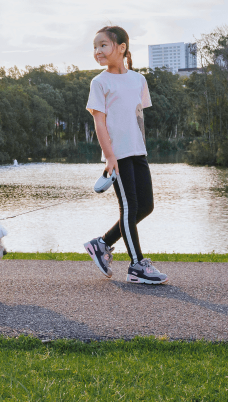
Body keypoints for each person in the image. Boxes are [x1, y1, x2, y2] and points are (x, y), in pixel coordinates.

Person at [82, 26, 167, 285]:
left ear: (121, 48)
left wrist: (142, 147)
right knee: (129, 207)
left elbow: (139, 117)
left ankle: (102, 244)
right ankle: (137, 266)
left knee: (146, 206)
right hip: (117, 155)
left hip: (137, 151)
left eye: (103, 45)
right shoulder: (99, 82)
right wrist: (110, 158)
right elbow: (99, 123)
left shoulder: (138, 80)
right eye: (95, 47)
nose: (98, 51)